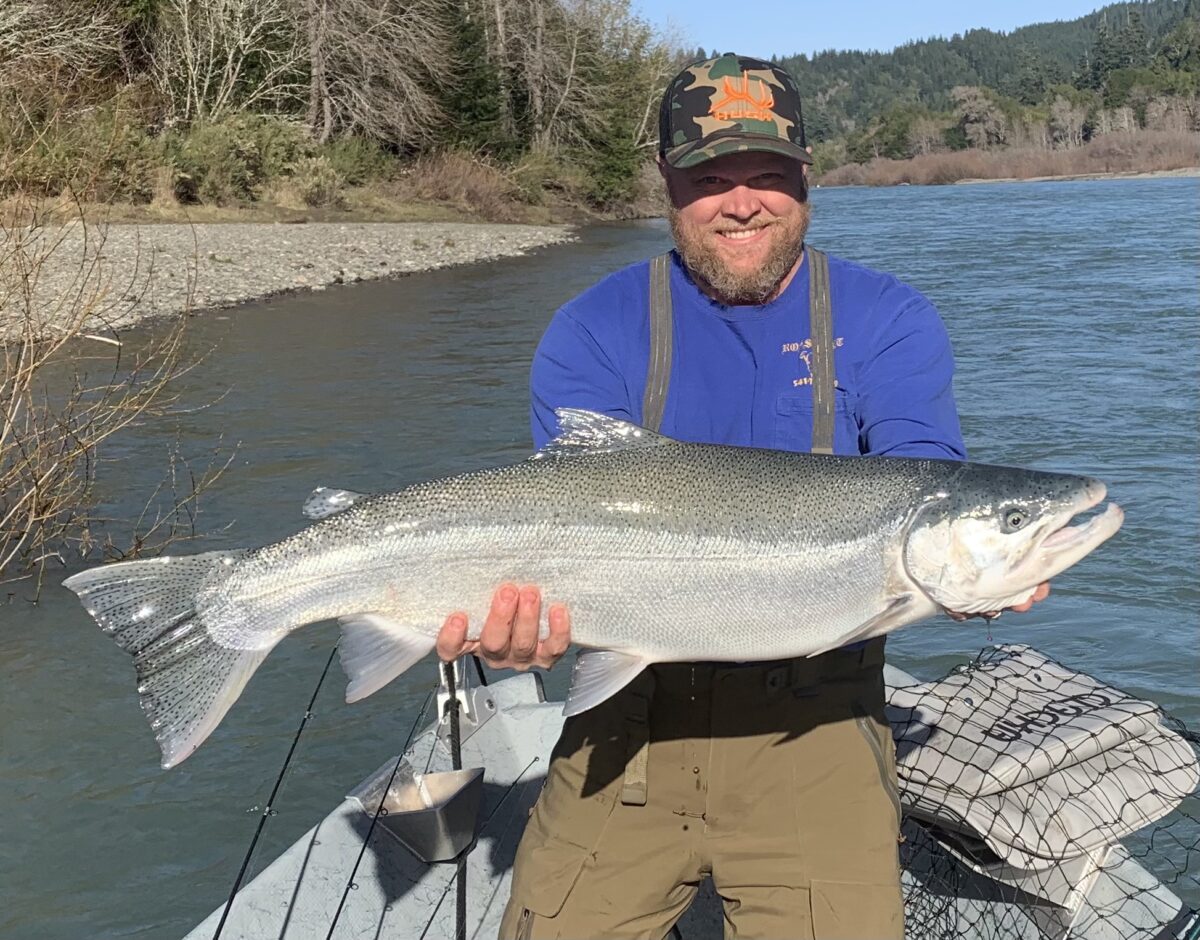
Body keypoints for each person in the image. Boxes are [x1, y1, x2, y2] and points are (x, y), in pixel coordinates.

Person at [436, 53, 1050, 940]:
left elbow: (925, 480)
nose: (742, 201)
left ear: (806, 178)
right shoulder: (593, 329)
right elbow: (566, 527)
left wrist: (979, 575)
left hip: (821, 728)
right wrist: (522, 629)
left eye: (767, 174)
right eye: (709, 177)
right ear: (666, 184)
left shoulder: (888, 319)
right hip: (625, 728)